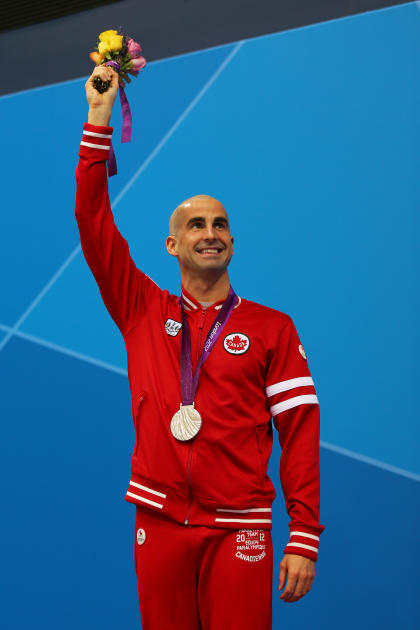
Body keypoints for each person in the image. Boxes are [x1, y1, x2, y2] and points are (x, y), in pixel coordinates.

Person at [75, 64, 325, 630]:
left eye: (219, 224)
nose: (209, 232)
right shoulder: (141, 308)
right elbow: (93, 222)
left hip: (241, 526)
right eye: (195, 225)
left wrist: (304, 532)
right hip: (159, 519)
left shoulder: (272, 328)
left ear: (232, 241)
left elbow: (301, 432)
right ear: (171, 244)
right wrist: (98, 120)